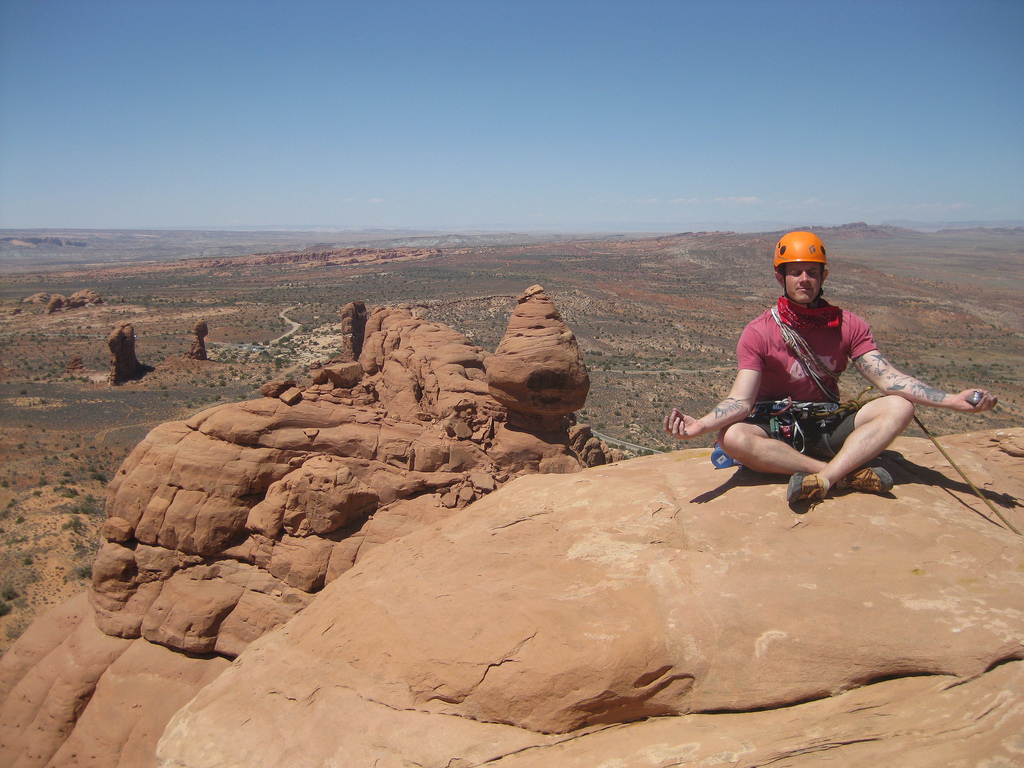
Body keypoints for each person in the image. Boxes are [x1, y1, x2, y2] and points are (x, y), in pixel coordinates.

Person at [663, 230, 997, 506]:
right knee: (733, 437)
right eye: (795, 271)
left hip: (826, 424)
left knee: (899, 405)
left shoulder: (848, 325)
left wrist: (952, 400)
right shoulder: (760, 331)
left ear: (824, 275)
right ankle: (843, 473)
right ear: (780, 276)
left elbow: (889, 379)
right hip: (778, 430)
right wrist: (702, 425)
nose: (804, 279)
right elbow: (742, 401)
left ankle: (822, 479)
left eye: (812, 271)